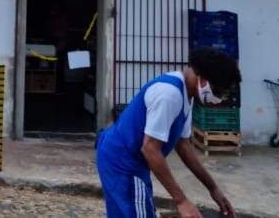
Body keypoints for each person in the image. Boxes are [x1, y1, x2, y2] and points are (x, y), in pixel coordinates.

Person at [95, 47, 241, 218]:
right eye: (219, 90)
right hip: (122, 162)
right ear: (202, 80)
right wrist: (181, 201)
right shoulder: (169, 94)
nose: (220, 98)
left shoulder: (186, 94)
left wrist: (213, 188)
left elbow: (183, 145)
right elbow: (150, 149)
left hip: (130, 160)